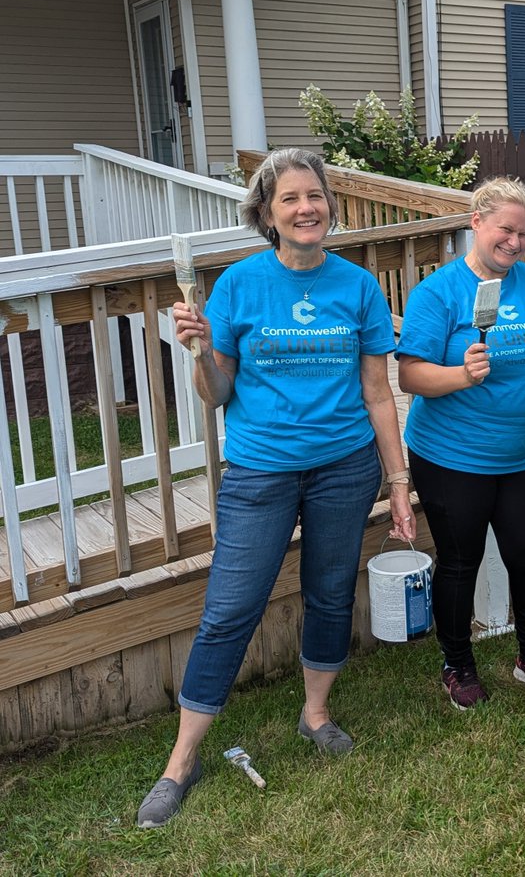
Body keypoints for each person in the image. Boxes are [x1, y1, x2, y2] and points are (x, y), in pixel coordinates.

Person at [137, 148, 416, 828]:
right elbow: (216, 393)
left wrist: (399, 482)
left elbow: (379, 394)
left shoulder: (359, 287)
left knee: (329, 591)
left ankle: (315, 713)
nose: (305, 208)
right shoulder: (238, 285)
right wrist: (201, 350)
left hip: (345, 467)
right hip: (260, 470)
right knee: (231, 608)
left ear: (330, 206)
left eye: (314, 195)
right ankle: (181, 760)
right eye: (289, 198)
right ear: (266, 212)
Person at [395, 176, 525, 711]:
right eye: (506, 230)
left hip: (519, 451)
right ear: (476, 223)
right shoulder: (438, 292)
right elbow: (410, 375)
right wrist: (461, 374)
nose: (516, 243)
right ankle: (457, 664)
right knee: (461, 561)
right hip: (450, 456)